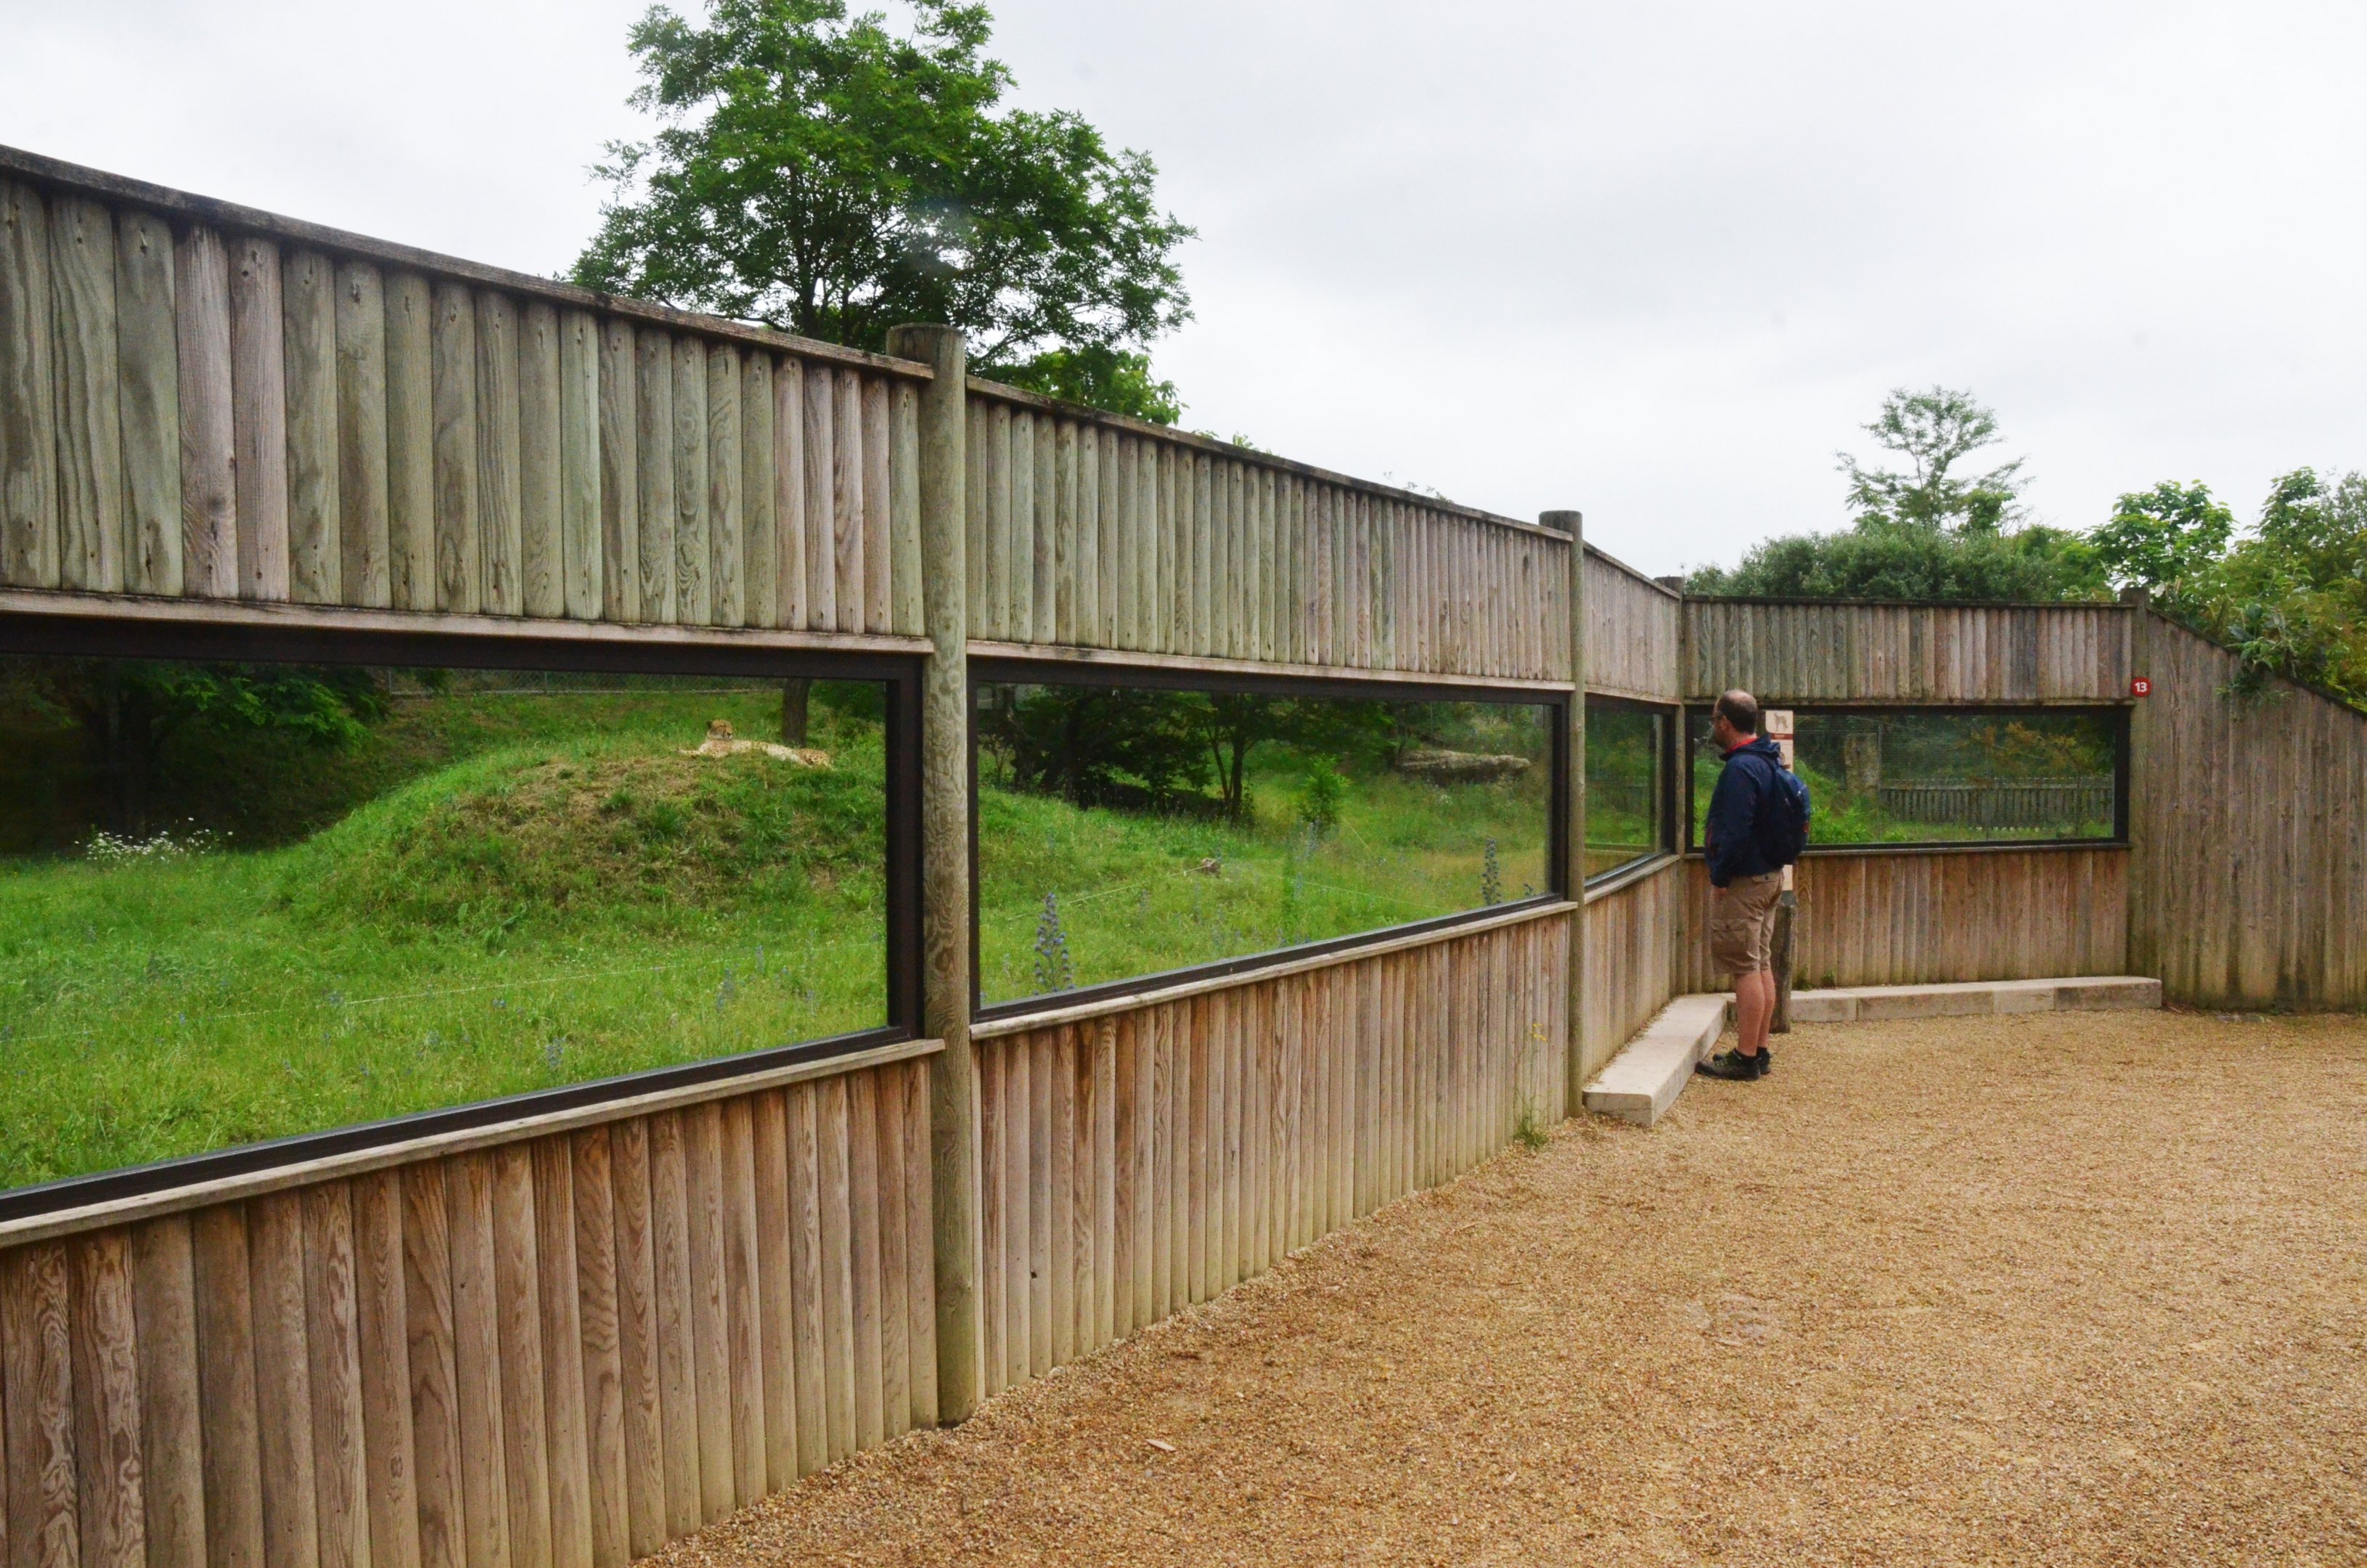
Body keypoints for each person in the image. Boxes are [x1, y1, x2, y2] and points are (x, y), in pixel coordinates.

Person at [1696, 689, 1798, 1081]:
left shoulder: (1740, 770)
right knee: (1760, 963)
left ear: (1725, 722)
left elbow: (1734, 832)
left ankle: (1745, 1057)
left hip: (1746, 881)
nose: (1713, 726)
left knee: (1744, 968)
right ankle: (1759, 1051)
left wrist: (1720, 876)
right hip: (1771, 876)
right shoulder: (1769, 760)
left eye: (1713, 720)